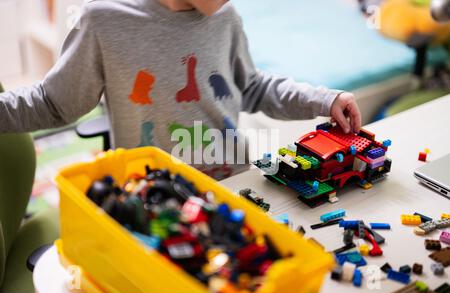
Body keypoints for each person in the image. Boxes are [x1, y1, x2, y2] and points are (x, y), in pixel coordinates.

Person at [0, 0, 361, 179]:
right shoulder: (103, 22)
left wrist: (323, 100)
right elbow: (53, 102)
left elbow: (250, 87)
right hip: (155, 194)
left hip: (232, 187)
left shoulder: (226, 18)